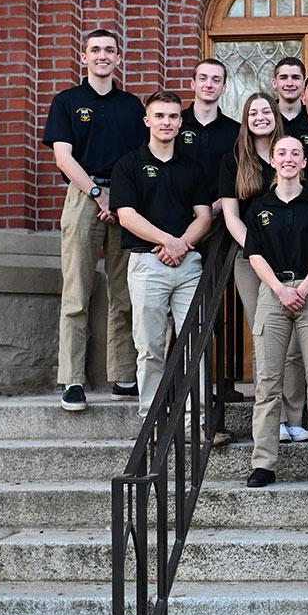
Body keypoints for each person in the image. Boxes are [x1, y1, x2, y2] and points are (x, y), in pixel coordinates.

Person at [43, 28, 145, 411]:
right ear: (83, 57)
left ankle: (123, 374)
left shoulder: (132, 106)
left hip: (125, 203)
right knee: (76, 290)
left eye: (110, 50)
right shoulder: (67, 101)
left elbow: (138, 158)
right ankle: (72, 379)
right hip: (84, 196)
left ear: (119, 58)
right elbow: (63, 158)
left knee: (125, 292)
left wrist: (119, 199)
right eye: (95, 50)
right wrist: (98, 194)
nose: (103, 55)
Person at [242, 136, 308, 489]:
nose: (288, 158)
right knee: (267, 384)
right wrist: (280, 289)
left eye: (295, 154)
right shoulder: (259, 207)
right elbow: (254, 254)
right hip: (273, 294)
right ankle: (264, 465)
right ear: (273, 161)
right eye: (282, 153)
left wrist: (301, 289)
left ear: (303, 163)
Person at [108, 91, 212, 423]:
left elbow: (205, 217)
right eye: (160, 116)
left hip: (188, 267)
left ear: (181, 122)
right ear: (147, 121)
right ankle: (152, 417)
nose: (166, 122)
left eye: (172, 116)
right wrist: (169, 241)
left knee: (193, 342)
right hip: (147, 263)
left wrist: (180, 245)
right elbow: (126, 215)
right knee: (149, 346)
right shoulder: (128, 164)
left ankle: (193, 417)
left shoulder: (193, 168)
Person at [219, 93, 308, 445]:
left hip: (296, 261)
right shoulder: (234, 161)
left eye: (266, 111)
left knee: (293, 346)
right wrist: (258, 250)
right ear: (246, 119)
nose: (260, 117)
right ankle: (270, 420)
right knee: (265, 339)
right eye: (253, 113)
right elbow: (230, 216)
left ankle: (293, 418)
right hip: (251, 261)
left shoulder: (291, 152)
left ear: (276, 116)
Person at [178, 58, 239, 214]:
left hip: (222, 217)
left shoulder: (236, 131)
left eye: (216, 80)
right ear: (193, 84)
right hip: (178, 214)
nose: (209, 84)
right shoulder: (175, 124)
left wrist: (219, 205)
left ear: (223, 87)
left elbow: (242, 173)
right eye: (203, 78)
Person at [271, 56, 307, 124]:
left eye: (296, 78)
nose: (289, 84)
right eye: (283, 78)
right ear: (274, 83)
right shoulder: (266, 117)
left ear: (304, 83)